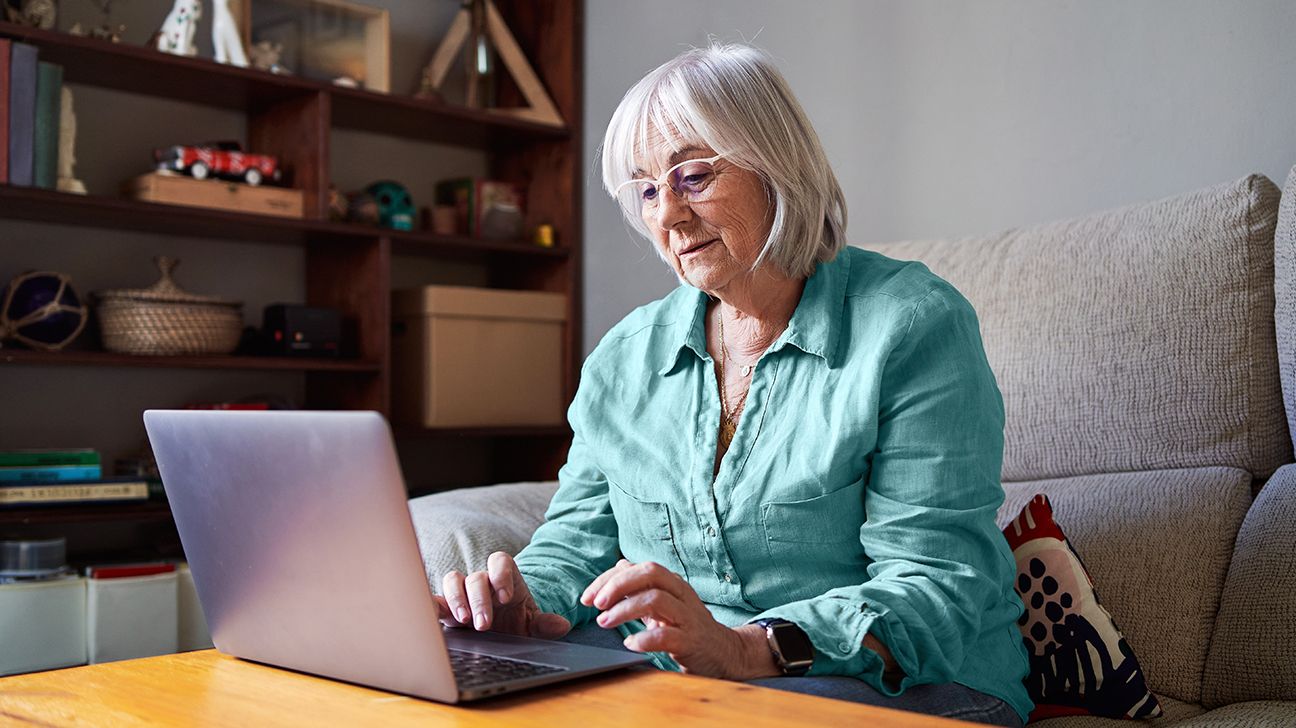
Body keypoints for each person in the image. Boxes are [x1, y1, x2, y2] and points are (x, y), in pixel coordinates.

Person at [436, 42, 1031, 727]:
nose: (667, 216)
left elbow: (935, 589)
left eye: (693, 176)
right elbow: (574, 546)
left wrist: (743, 649)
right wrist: (520, 605)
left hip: (913, 688)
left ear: (777, 166)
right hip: (687, 684)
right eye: (649, 190)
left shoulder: (912, 326)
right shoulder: (625, 359)